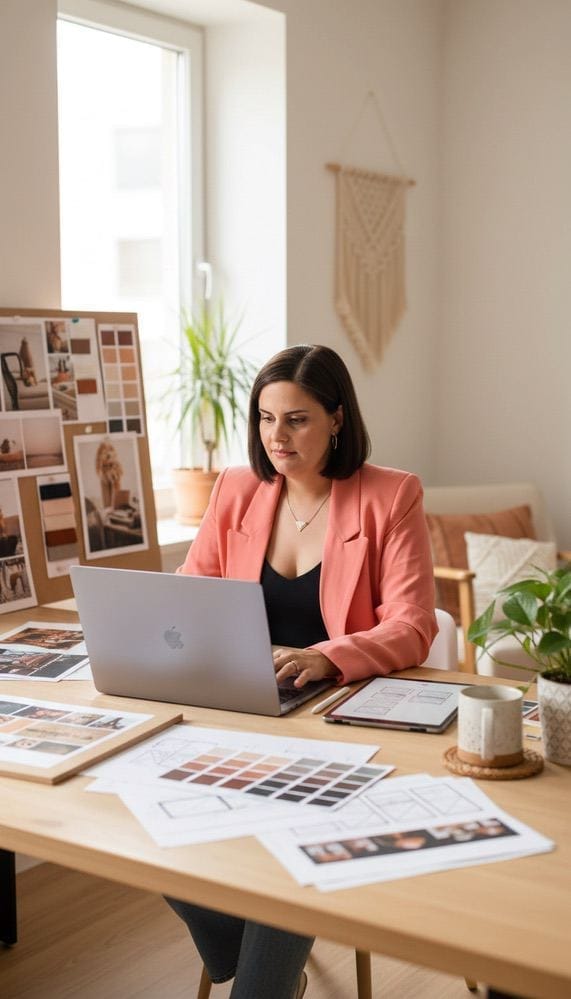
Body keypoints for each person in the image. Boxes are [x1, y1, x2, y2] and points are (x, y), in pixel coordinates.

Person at [166, 343, 437, 999]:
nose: (276, 437)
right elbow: (190, 590)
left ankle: (263, 977)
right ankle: (252, 953)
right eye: (264, 419)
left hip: (335, 721)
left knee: (292, 836)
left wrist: (326, 655)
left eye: (296, 419)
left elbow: (413, 623)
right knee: (150, 820)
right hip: (239, 709)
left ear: (337, 419)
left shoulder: (389, 494)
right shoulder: (236, 488)